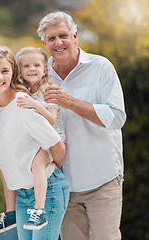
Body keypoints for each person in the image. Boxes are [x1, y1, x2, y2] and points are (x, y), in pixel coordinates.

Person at [38, 11, 126, 240]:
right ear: (44, 43)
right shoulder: (39, 74)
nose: (58, 42)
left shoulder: (101, 67)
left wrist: (71, 103)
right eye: (51, 38)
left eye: (63, 35)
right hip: (61, 185)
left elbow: (117, 117)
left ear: (75, 36)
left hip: (103, 180)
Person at [0, 44, 69, 240]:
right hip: (21, 195)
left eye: (5, 71)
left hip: (47, 189)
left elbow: (57, 145)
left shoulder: (20, 102)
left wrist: (50, 168)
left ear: (13, 73)